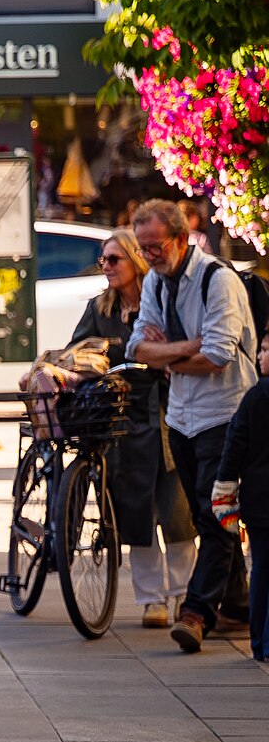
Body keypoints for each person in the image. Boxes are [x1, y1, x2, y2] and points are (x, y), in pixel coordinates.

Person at [129, 197, 258, 652]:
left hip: (224, 414)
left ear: (181, 239)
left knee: (214, 513)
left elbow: (220, 356)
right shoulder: (157, 285)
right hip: (181, 417)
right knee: (212, 516)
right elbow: (136, 350)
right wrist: (188, 348)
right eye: (142, 248)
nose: (148, 256)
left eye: (155, 246)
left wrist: (168, 355)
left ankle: (197, 613)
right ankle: (239, 605)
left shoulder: (217, 280)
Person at [72, 227, 195, 627]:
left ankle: (183, 595)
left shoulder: (159, 299)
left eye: (114, 259)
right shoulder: (99, 308)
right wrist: (121, 349)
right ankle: (151, 600)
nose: (105, 267)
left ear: (135, 261)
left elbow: (180, 343)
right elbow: (80, 351)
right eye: (103, 260)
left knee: (177, 511)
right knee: (135, 511)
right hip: (121, 419)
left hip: (165, 413)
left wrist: (156, 350)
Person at [213, 335, 269, 661]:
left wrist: (224, 486)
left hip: (259, 502)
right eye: (260, 349)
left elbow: (233, 447)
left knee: (261, 567)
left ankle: (259, 642)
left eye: (265, 350)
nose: (260, 355)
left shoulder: (254, 398)